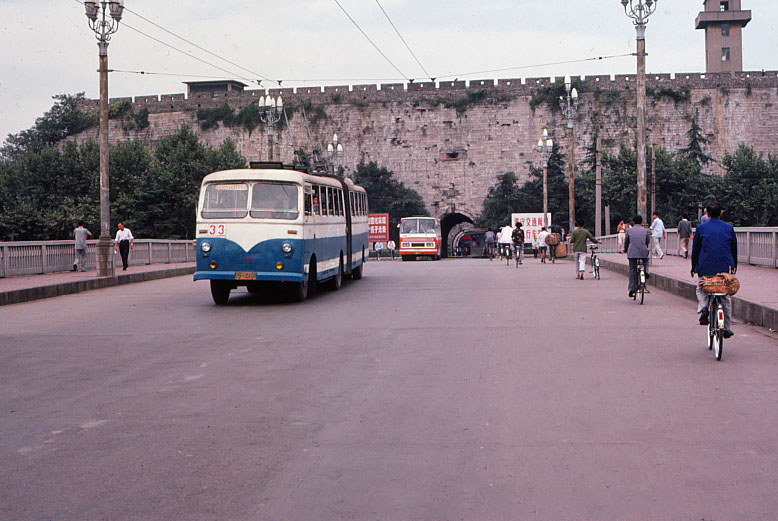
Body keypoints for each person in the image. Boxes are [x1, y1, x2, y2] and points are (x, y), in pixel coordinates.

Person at [691, 201, 737, 338]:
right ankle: (727, 328)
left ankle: (703, 307)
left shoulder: (701, 228)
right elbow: (734, 249)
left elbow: (696, 251)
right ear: (721, 213)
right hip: (724, 268)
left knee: (701, 287)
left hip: (705, 267)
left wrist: (694, 267)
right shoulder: (729, 228)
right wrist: (734, 266)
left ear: (707, 214)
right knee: (725, 297)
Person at [624, 215, 651, 297]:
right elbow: (647, 241)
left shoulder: (629, 230)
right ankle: (646, 271)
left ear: (633, 222)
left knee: (632, 270)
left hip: (632, 253)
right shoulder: (645, 230)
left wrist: (625, 249)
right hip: (643, 251)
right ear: (642, 222)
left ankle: (632, 289)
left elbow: (626, 242)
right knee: (646, 260)